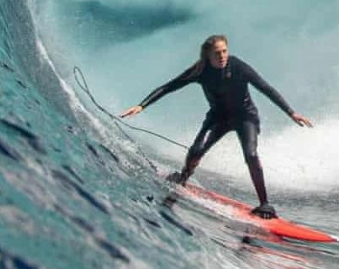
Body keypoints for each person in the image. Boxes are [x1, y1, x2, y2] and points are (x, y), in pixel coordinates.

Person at [120, 34, 313, 219]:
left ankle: (265, 203)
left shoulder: (239, 67)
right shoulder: (200, 71)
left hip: (246, 117)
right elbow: (170, 86)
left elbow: (266, 89)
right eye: (217, 53)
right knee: (196, 151)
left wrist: (291, 112)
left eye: (224, 51)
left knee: (251, 155)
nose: (222, 56)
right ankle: (183, 178)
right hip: (218, 118)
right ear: (208, 56)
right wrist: (141, 105)